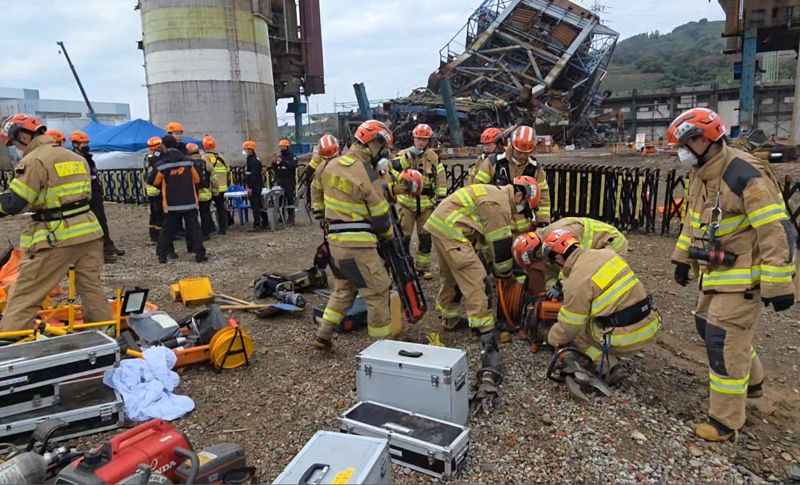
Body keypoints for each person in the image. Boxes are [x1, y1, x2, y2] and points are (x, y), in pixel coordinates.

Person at [667, 108, 796, 441]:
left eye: (684, 144)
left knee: (723, 342)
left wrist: (779, 283)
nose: (681, 153)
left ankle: (725, 423)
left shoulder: (744, 174)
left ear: (703, 139)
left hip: (743, 278)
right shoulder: (702, 173)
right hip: (718, 274)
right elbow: (693, 223)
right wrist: (682, 259)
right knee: (708, 327)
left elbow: (775, 230)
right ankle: (752, 383)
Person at [424, 176, 541, 411]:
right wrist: (506, 276)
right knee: (476, 279)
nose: (521, 212)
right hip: (452, 230)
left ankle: (448, 318)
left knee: (451, 278)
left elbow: (487, 242)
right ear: (519, 195)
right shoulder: (499, 205)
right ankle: (486, 331)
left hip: (440, 225)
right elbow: (500, 249)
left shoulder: (495, 194)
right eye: (524, 207)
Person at [0, 113, 111, 332]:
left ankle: (10, 342)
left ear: (23, 136)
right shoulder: (75, 158)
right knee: (91, 288)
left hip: (58, 235)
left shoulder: (34, 160)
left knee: (25, 292)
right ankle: (104, 334)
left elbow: (16, 201)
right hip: (89, 231)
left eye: (13, 143)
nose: (16, 149)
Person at [313, 120, 412, 350]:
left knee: (343, 289)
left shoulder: (330, 165)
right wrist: (388, 236)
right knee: (378, 290)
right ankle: (381, 348)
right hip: (359, 243)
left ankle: (323, 334)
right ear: (371, 143)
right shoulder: (365, 171)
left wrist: (320, 212)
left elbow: (315, 187)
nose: (382, 152)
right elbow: (379, 214)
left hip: (335, 242)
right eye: (381, 147)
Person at [538, 229, 661, 384]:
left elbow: (569, 327)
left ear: (557, 257)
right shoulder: (606, 254)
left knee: (577, 330)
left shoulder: (575, 282)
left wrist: (551, 337)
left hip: (628, 337)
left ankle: (608, 367)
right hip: (650, 324)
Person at [391, 124, 446, 280]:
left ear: (428, 140)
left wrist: (440, 198)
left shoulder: (433, 157)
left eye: (424, 139)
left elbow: (440, 179)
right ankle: (404, 267)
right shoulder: (403, 154)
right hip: (407, 203)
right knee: (404, 237)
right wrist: (408, 157)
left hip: (426, 204)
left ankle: (423, 268)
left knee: (425, 237)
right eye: (418, 139)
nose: (421, 142)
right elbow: (393, 170)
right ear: (413, 138)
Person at [470, 125, 551, 228]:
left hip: (523, 227)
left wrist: (542, 222)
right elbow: (477, 190)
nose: (522, 156)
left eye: (526, 153)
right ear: (512, 146)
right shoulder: (493, 163)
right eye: (519, 152)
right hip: (495, 224)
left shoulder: (535, 168)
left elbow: (543, 196)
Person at [150, 135, 207, 264]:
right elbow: (197, 180)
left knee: (168, 230)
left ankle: (162, 255)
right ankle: (199, 254)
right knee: (194, 228)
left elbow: (155, 182)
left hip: (171, 204)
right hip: (189, 201)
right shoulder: (188, 162)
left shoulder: (162, 165)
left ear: (164, 146)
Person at [70, 130, 124, 264]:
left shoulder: (87, 157)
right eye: (83, 143)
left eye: (87, 143)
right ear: (75, 144)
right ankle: (100, 252)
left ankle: (108, 246)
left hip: (94, 192)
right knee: (93, 224)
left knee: (101, 220)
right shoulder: (74, 158)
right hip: (85, 195)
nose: (86, 145)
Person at [201, 135, 229, 235]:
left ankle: (210, 228)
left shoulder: (204, 157)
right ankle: (223, 228)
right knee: (221, 207)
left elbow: (206, 172)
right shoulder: (221, 156)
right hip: (222, 187)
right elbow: (228, 169)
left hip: (212, 187)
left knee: (206, 208)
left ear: (204, 146)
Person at [309, 134, 341, 219]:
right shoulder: (320, 169)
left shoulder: (321, 168)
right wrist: (318, 209)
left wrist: (318, 209)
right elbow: (315, 188)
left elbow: (315, 188)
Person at [187, 143, 213, 239]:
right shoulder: (204, 161)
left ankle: (196, 234)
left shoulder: (189, 163)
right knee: (205, 213)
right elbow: (211, 171)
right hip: (206, 192)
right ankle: (206, 233)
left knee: (194, 216)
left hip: (194, 193)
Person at [143, 136, 165, 243]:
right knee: (159, 213)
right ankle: (160, 236)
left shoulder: (147, 157)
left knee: (153, 213)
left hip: (150, 189)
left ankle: (153, 235)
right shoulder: (157, 157)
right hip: (157, 188)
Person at [273, 138, 299, 225]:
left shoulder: (292, 157)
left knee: (289, 199)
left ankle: (291, 216)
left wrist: (283, 162)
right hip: (281, 182)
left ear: (287, 147)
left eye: (283, 147)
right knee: (280, 199)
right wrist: (274, 163)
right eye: (280, 147)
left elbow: (292, 166)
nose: (281, 149)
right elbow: (274, 168)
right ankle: (281, 215)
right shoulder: (280, 157)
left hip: (289, 182)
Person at [243, 140, 267, 229]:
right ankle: (264, 221)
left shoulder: (253, 160)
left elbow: (253, 175)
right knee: (259, 203)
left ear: (250, 150)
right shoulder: (253, 159)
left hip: (255, 185)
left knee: (255, 204)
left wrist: (250, 187)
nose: (244, 151)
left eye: (245, 149)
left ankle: (258, 222)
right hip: (257, 184)